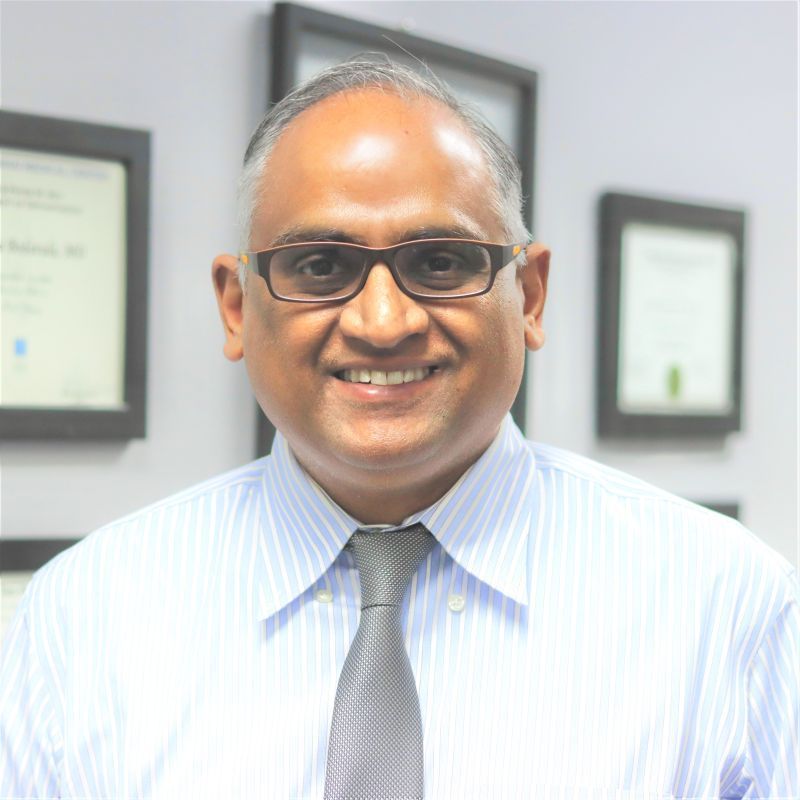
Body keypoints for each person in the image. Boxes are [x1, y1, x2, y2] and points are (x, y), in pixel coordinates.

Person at [1, 59, 797, 800]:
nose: (384, 322)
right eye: (319, 266)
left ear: (530, 295)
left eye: (442, 261)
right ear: (237, 306)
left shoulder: (726, 607)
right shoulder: (88, 615)